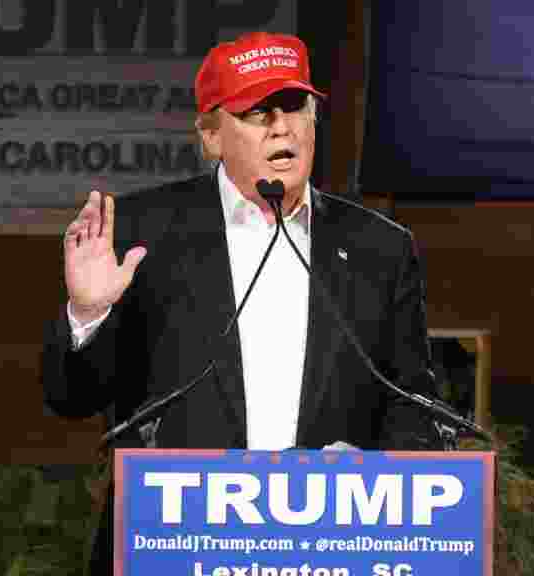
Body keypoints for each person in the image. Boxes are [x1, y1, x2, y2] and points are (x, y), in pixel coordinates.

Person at [41, 31, 442, 575]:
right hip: (178, 549)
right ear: (211, 136)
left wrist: (377, 473)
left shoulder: (380, 247)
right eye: (257, 112)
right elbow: (71, 398)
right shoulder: (142, 233)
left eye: (295, 107)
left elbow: (414, 406)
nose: (282, 126)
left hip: (328, 550)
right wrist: (88, 314)